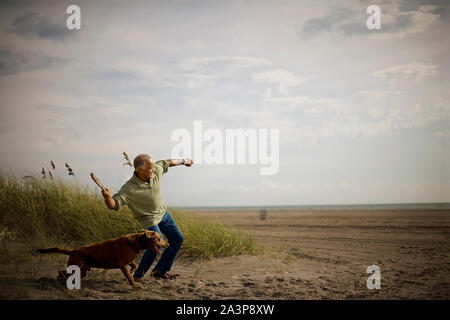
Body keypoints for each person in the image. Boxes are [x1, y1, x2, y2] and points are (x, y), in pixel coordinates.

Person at [101, 154, 193, 281]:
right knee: (155, 243)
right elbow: (114, 205)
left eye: (152, 167)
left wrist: (184, 161)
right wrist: (107, 198)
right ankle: (138, 275)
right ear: (140, 170)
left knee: (177, 239)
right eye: (149, 168)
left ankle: (160, 271)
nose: (153, 170)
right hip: (147, 219)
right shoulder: (129, 188)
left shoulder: (155, 170)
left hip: (162, 213)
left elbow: (167, 162)